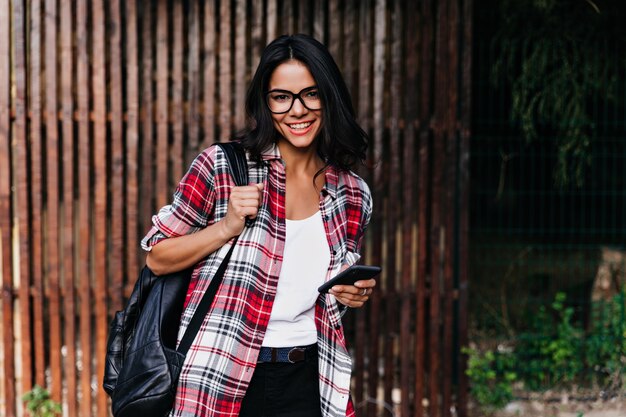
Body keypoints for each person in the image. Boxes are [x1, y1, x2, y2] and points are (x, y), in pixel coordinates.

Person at [141, 33, 375, 417]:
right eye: (282, 97)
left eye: (311, 94)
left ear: (330, 97)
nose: (297, 110)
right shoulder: (222, 167)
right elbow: (157, 258)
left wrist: (352, 293)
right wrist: (226, 226)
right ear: (266, 103)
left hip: (310, 377)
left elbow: (322, 295)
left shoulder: (352, 193)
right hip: (221, 374)